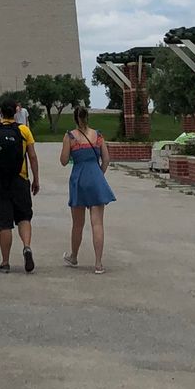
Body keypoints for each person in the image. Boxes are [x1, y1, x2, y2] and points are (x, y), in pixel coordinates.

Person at [0, 99, 39, 273]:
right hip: (20, 179)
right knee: (24, 217)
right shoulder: (23, 130)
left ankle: (5, 262)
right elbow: (33, 157)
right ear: (15, 112)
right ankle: (27, 247)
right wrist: (36, 179)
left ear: (0, 112)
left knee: (4, 223)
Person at [59, 103, 115, 274]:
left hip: (78, 178)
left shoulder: (70, 136)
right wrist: (99, 174)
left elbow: (63, 160)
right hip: (96, 177)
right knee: (97, 223)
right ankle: (98, 264)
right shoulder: (98, 136)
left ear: (75, 119)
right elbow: (106, 159)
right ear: (87, 117)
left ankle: (74, 256)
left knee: (78, 223)